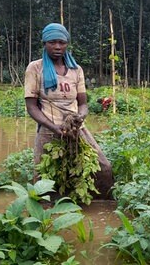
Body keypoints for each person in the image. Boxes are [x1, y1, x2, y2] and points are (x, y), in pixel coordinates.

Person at [24, 23, 114, 200]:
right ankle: (44, 213)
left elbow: (83, 103)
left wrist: (80, 117)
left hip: (75, 128)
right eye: (52, 42)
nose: (57, 47)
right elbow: (32, 107)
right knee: (43, 178)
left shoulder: (76, 70)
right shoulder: (35, 68)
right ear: (44, 43)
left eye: (61, 42)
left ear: (67, 44)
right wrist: (55, 127)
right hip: (49, 129)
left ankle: (100, 204)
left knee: (103, 168)